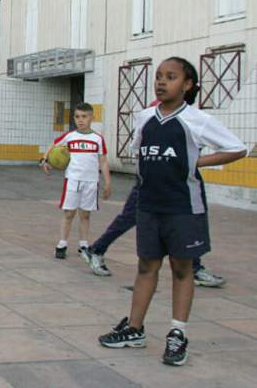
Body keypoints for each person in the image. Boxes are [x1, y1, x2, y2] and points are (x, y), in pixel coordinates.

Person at [97, 57, 247, 367]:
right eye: (159, 77)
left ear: (188, 84)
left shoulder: (196, 120)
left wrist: (197, 163)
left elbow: (238, 148)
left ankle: (178, 333)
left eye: (171, 77)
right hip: (150, 206)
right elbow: (140, 151)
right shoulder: (144, 117)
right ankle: (134, 329)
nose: (162, 82)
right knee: (145, 267)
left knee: (182, 269)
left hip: (184, 209)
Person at [81, 184, 225, 286]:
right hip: (149, 182)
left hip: (175, 184)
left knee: (182, 222)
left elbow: (234, 149)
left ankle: (194, 268)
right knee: (129, 218)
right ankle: (96, 250)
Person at [41, 103, 111, 259]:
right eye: (77, 117)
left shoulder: (98, 139)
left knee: (85, 214)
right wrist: (44, 159)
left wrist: (107, 182)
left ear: (92, 118)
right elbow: (54, 144)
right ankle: (62, 244)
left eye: (84, 117)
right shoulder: (70, 136)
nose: (81, 120)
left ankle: (84, 244)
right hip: (72, 180)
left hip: (91, 182)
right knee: (69, 213)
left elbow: (103, 161)